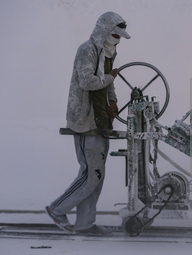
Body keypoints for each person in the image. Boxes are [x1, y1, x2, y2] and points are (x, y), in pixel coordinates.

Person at [45, 12, 130, 235]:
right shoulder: (87, 50)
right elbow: (87, 81)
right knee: (90, 174)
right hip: (85, 119)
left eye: (119, 36)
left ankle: (85, 224)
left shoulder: (107, 53)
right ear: (104, 30)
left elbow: (108, 83)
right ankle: (56, 208)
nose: (117, 39)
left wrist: (113, 101)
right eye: (115, 34)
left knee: (97, 177)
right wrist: (111, 77)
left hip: (102, 120)